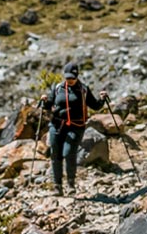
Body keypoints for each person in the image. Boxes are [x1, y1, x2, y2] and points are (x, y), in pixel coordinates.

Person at [40, 62, 107, 196]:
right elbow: (49, 105)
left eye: (72, 78)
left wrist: (102, 99)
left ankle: (71, 184)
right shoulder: (58, 88)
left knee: (69, 153)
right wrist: (45, 101)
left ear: (77, 76)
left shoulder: (83, 90)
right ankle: (57, 186)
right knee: (55, 154)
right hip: (57, 125)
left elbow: (95, 106)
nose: (69, 80)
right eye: (67, 77)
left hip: (76, 126)